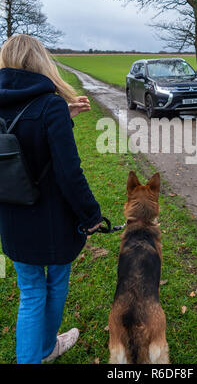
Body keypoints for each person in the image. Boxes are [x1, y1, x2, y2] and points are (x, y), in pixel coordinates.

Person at [0, 34, 104, 364]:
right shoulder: (50, 104)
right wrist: (91, 216)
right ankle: (44, 348)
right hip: (53, 222)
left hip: (12, 220)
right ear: (41, 61)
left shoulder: (47, 108)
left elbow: (21, 143)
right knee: (56, 282)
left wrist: (63, 120)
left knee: (30, 292)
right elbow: (69, 174)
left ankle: (41, 351)